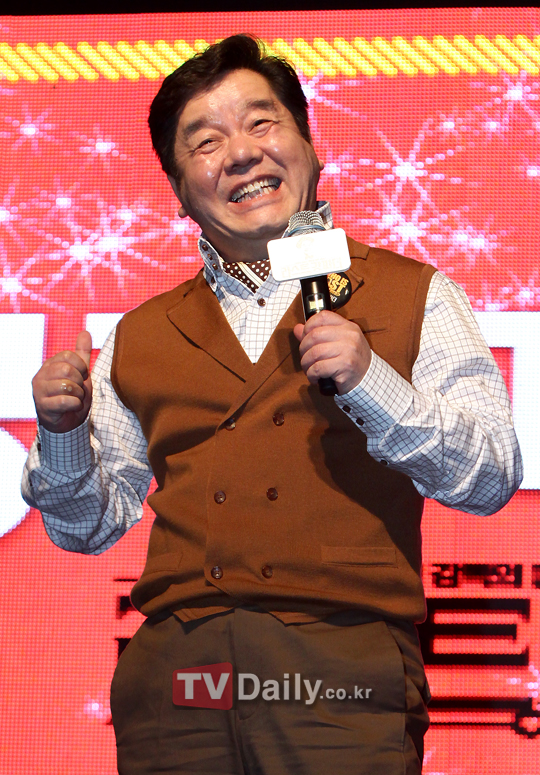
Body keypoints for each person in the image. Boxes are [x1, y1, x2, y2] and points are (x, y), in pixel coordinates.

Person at [22, 34, 522, 775]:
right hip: (179, 684)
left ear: (309, 147)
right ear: (178, 189)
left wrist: (371, 381)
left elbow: (492, 475)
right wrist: (63, 431)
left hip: (340, 674)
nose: (241, 153)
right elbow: (86, 527)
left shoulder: (416, 293)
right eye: (206, 142)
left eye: (262, 123)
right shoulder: (139, 333)